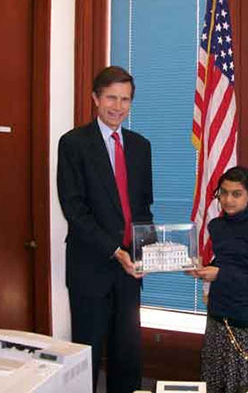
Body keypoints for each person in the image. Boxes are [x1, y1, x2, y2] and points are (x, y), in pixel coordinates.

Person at [57, 66, 153, 393]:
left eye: (125, 99)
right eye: (111, 97)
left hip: (130, 270)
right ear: (95, 98)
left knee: (128, 353)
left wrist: (146, 254)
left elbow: (142, 208)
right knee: (88, 353)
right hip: (91, 266)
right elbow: (75, 210)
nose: (118, 106)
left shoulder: (140, 146)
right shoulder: (73, 144)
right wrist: (116, 251)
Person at [188, 166, 248, 393]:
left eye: (236, 194)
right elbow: (226, 263)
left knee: (238, 386)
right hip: (217, 313)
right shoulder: (216, 225)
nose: (228, 200)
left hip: (245, 318)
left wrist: (219, 274)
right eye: (223, 193)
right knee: (213, 381)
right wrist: (201, 269)